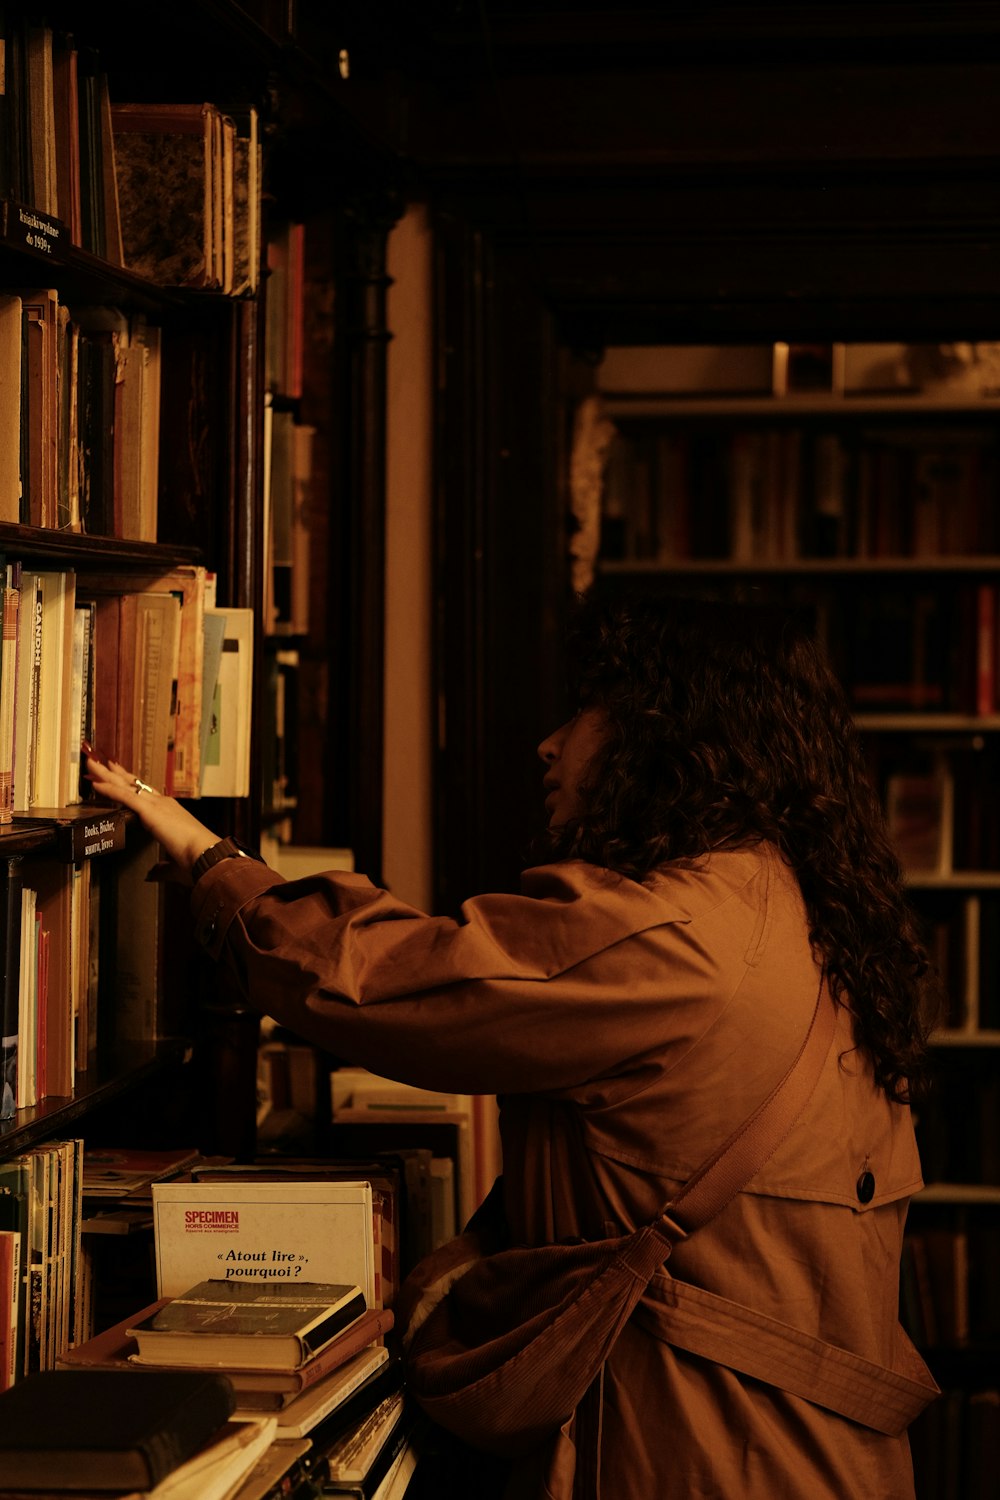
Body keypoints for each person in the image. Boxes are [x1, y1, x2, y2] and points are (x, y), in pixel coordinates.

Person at [84, 591, 938, 1499]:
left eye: (588, 709)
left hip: (696, 1455)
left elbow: (405, 983)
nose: (552, 742)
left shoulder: (677, 932)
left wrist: (219, 869)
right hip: (820, 1458)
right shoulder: (800, 907)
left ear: (668, 731)